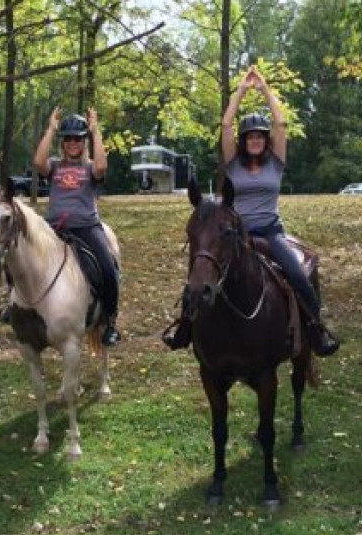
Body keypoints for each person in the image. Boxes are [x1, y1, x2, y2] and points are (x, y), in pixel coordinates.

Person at [163, 66, 340, 357]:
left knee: (298, 275)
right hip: (236, 233)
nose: (255, 140)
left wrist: (266, 90)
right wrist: (241, 91)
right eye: (250, 137)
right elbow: (227, 125)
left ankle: (316, 329)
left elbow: (281, 124)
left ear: (265, 139)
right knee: (199, 272)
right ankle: (184, 327)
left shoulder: (276, 162)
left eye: (259, 136)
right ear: (244, 141)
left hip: (271, 233)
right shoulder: (234, 163)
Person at [33, 107, 121, 346]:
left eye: (77, 138)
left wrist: (95, 131)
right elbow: (38, 162)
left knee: (107, 268)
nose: (72, 143)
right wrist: (51, 129)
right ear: (62, 143)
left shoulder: (90, 167)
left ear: (84, 142)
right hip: (54, 228)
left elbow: (102, 168)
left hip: (86, 227)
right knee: (20, 254)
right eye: (68, 139)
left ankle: (110, 321)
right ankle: (15, 308)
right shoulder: (54, 165)